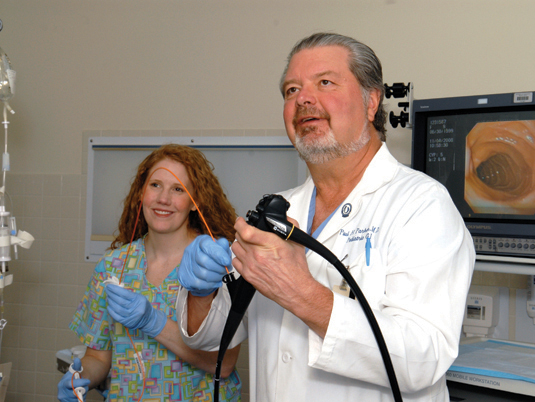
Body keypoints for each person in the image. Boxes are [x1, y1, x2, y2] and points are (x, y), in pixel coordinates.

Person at [176, 33, 475, 402]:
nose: (302, 98)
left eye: (325, 82)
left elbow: (422, 360)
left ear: (371, 101)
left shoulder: (421, 206)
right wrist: (202, 293)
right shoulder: (277, 210)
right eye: (291, 90)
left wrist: (302, 293)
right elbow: (217, 335)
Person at [58, 144, 242, 402]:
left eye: (178, 189)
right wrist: (80, 378)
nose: (163, 199)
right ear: (141, 193)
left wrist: (153, 322)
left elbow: (223, 364)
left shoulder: (212, 263)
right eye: (155, 185)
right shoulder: (113, 266)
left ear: (195, 201)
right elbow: (99, 356)